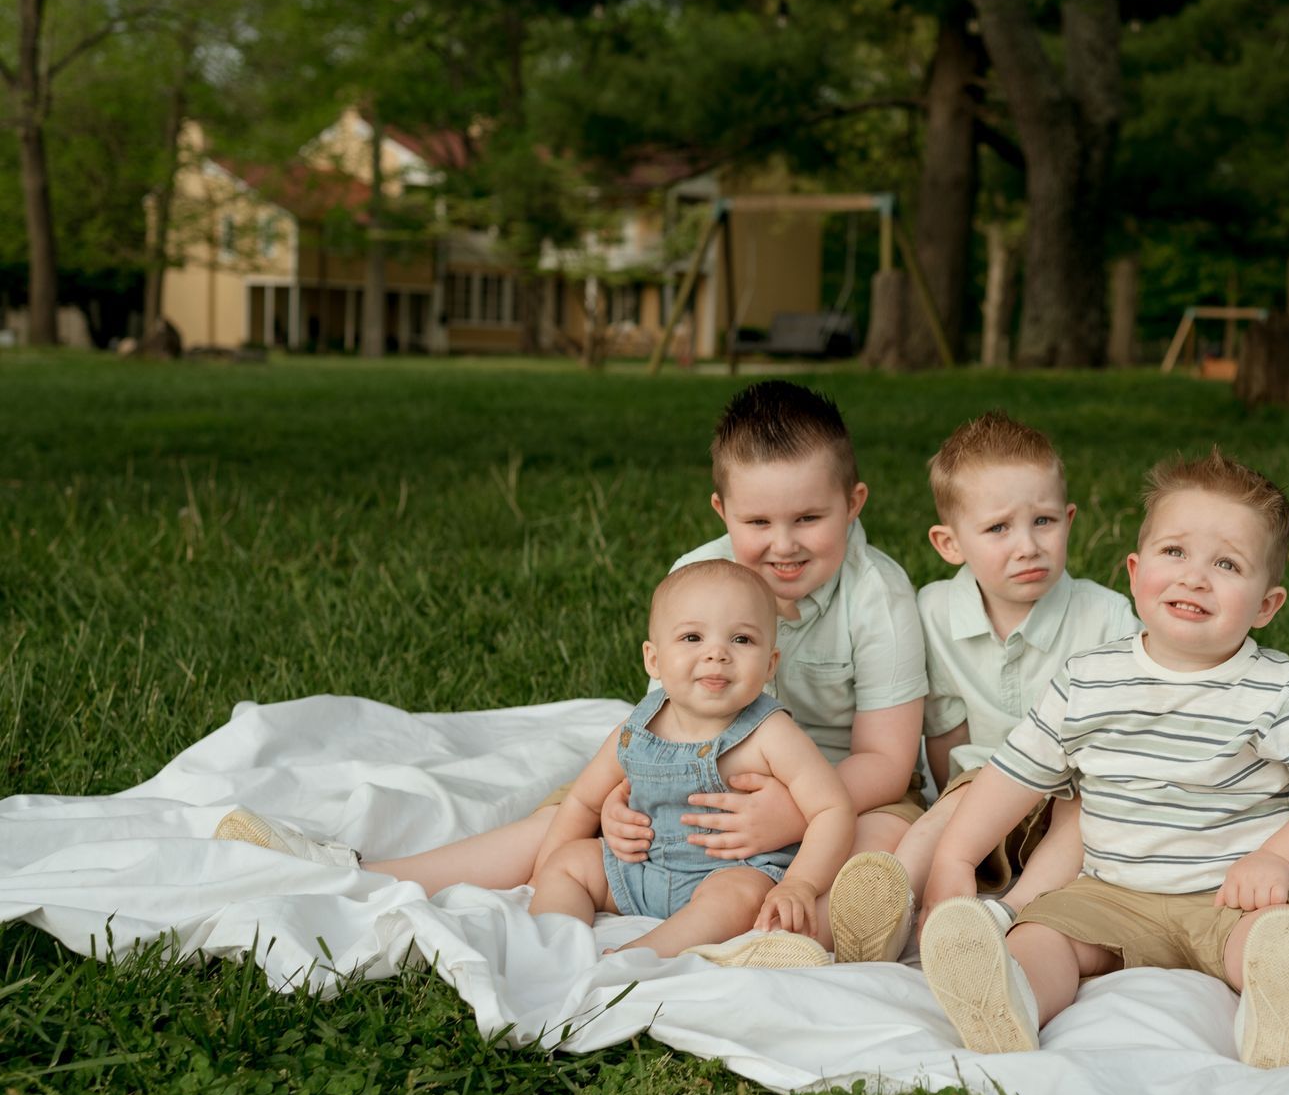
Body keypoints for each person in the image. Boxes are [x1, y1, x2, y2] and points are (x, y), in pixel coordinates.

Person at [215, 381, 928, 959]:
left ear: (853, 504)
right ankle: (369, 874)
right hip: (702, 783)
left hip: (842, 787)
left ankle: (797, 935)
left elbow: (888, 762)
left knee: (888, 841)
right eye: (759, 522)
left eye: (809, 518)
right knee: (566, 820)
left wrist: (790, 809)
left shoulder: (879, 596)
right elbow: (665, 719)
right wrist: (623, 801)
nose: (783, 546)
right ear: (723, 510)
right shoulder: (697, 580)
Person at [918, 449, 1289, 1068]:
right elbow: (1014, 773)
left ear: (1266, 606)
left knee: (1280, 935)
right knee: (1042, 935)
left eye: (1227, 564)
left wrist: (1280, 860)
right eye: (1175, 553)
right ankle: (1008, 1000)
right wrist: (955, 855)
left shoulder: (1277, 691)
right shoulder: (1090, 678)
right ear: (1135, 573)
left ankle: (1282, 1007)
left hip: (1232, 895)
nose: (1194, 577)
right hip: (1112, 892)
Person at [826, 411, 1137, 963]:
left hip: (1071, 795)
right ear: (950, 543)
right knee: (941, 818)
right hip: (978, 790)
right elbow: (946, 739)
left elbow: (1121, 742)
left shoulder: (1108, 618)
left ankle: (1004, 919)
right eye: (998, 529)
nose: (1028, 546)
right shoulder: (934, 614)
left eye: (1044, 521)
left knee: (1080, 813)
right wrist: (980, 810)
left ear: (1068, 519)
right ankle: (885, 909)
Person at [527, 559, 853, 965]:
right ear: (654, 659)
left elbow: (832, 808)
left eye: (742, 640)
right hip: (638, 871)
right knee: (570, 863)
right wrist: (544, 871)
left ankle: (637, 958)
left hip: (724, 875)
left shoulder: (771, 734)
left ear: (770, 664)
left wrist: (801, 884)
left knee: (740, 897)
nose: (717, 654)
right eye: (692, 637)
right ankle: (549, 945)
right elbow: (584, 802)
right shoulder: (636, 728)